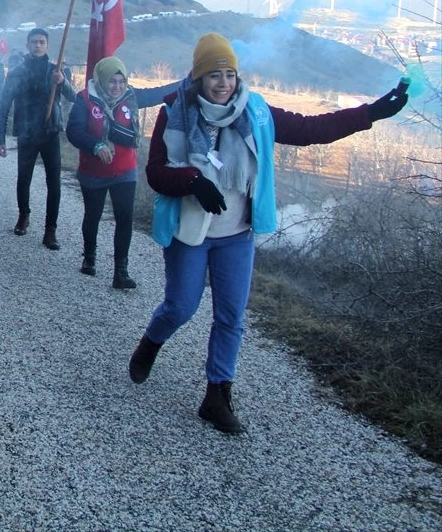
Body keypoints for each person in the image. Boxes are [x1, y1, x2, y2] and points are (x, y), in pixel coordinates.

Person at [128, 33, 409, 434]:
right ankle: (151, 343)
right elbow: (156, 172)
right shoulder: (174, 111)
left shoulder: (255, 111)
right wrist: (192, 180)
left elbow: (312, 128)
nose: (223, 82)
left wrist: (373, 112)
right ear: (198, 78)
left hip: (237, 233)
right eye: (214, 75)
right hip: (190, 231)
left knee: (231, 316)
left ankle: (217, 395)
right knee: (181, 307)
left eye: (229, 74)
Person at [66, 56, 180, 288]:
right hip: (93, 171)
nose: (117, 87)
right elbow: (73, 131)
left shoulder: (131, 96)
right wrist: (96, 146)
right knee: (93, 215)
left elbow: (160, 93)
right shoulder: (85, 99)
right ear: (101, 80)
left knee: (124, 218)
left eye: (121, 81)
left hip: (124, 170)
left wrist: (189, 82)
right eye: (112, 81)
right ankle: (89, 257)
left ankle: (121, 271)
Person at [0, 27, 76, 248]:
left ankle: (50, 230)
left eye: (42, 42)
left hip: (50, 132)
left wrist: (62, 82)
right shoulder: (16, 73)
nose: (38, 45)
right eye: (34, 42)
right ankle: (23, 215)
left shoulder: (57, 71)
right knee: (24, 177)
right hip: (27, 133)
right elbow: (4, 106)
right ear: (27, 45)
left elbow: (73, 97)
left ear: (47, 45)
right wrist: (0, 138)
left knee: (54, 183)